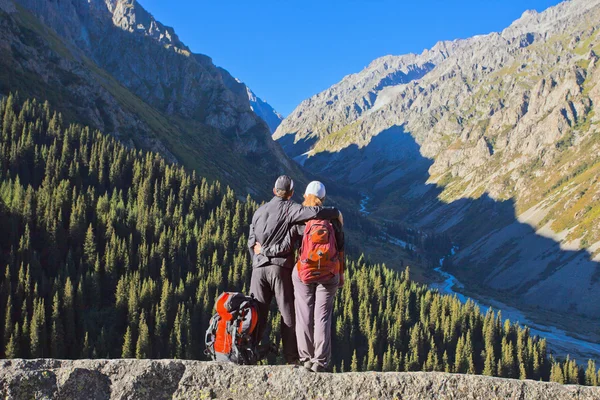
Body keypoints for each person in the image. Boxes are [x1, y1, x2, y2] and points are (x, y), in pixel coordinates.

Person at [247, 175, 341, 364]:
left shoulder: (259, 211)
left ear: (274, 191)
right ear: (290, 194)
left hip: (258, 269)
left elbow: (251, 242)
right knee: (288, 315)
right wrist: (335, 212)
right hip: (280, 269)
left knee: (257, 313)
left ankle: (248, 353)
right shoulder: (291, 209)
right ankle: (292, 359)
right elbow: (314, 212)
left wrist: (259, 258)